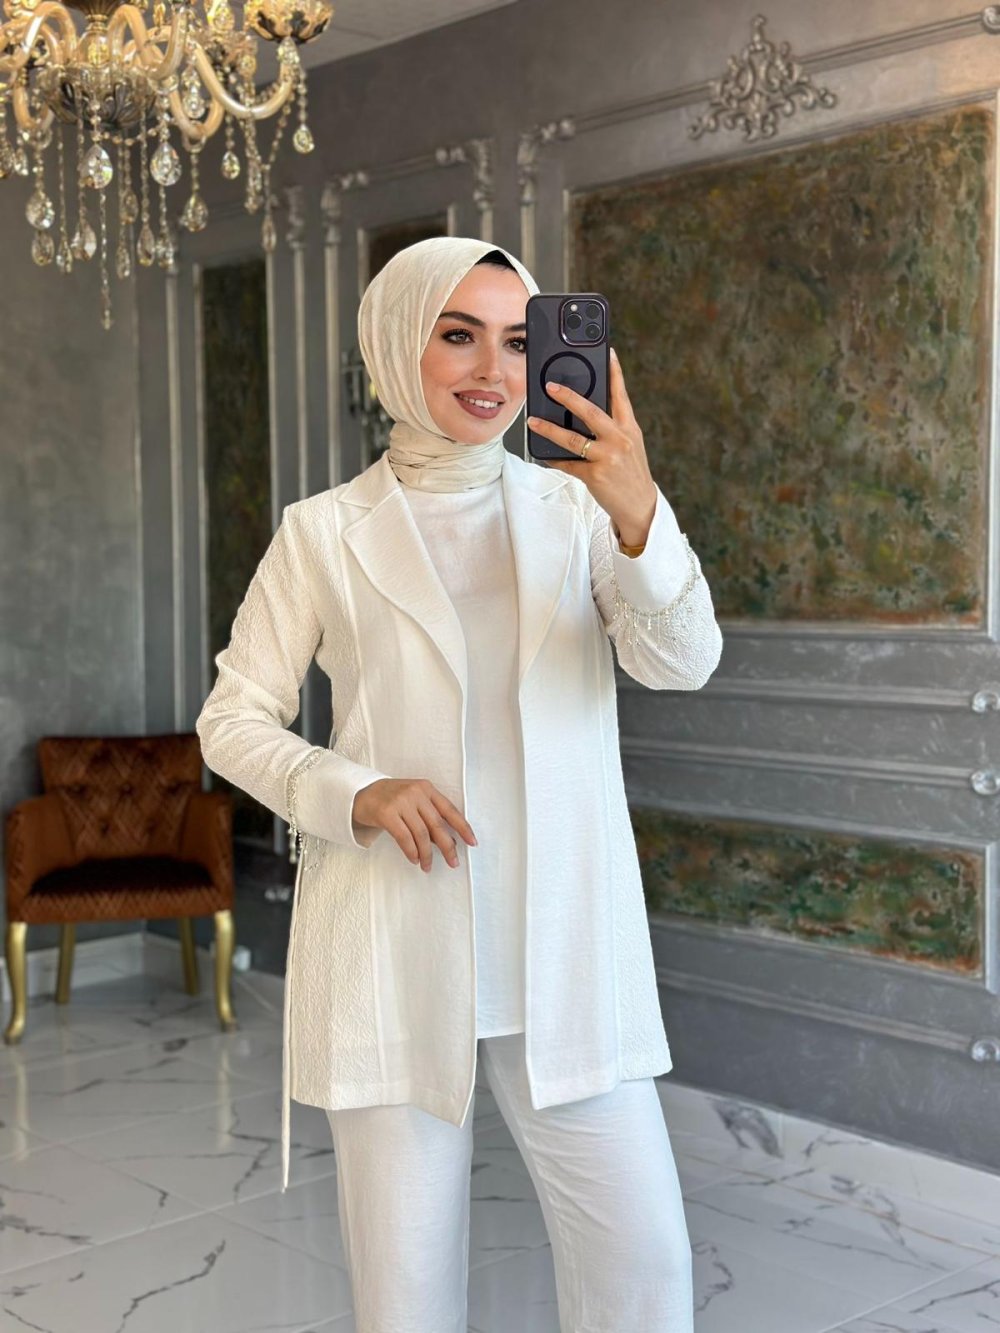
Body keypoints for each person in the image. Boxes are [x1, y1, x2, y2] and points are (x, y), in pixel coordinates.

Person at [195, 235, 723, 1332]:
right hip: (393, 937)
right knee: (408, 1298)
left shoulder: (579, 512)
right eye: (458, 334)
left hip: (563, 949)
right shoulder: (322, 532)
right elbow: (231, 720)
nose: (494, 369)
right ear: (400, 344)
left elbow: (682, 662)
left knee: (644, 1268)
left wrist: (639, 510)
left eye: (521, 341)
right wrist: (355, 791)